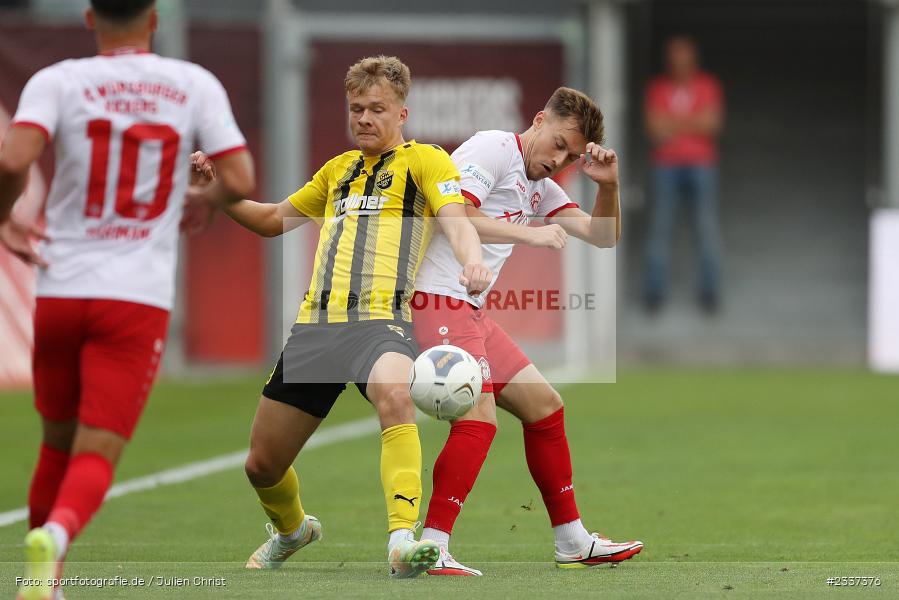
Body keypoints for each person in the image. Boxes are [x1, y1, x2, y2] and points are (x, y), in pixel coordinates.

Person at [187, 55, 492, 579]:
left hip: (380, 322)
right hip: (316, 328)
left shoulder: (426, 162)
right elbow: (270, 220)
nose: (365, 119)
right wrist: (218, 192)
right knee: (261, 465)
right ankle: (292, 530)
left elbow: (454, 217)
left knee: (397, 394)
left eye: (377, 109)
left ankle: (402, 539)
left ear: (402, 114)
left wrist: (472, 258)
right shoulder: (337, 171)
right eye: (357, 109)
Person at [0, 2, 255, 599]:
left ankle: (45, 585)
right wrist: (205, 200)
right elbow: (239, 179)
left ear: (89, 16)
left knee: (56, 443)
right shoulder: (192, 83)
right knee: (99, 449)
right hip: (134, 297)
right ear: (154, 18)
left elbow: (13, 158)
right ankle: (57, 536)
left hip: (62, 289)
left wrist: (4, 217)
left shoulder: (57, 80)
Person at [410, 86, 642, 575]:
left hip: (467, 307)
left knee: (545, 406)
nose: (559, 160)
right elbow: (457, 213)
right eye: (558, 143)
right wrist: (530, 233)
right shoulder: (491, 148)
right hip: (435, 297)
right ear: (538, 119)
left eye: (572, 156)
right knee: (479, 419)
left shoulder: (539, 185)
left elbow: (603, 237)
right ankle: (431, 544)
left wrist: (609, 186)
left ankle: (572, 541)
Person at [643, 35, 724, 312]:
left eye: (684, 59)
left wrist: (673, 124)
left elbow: (712, 124)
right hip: (665, 166)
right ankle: (654, 294)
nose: (680, 64)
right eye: (675, 59)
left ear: (693, 60)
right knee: (661, 228)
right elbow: (654, 129)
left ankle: (709, 292)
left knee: (705, 227)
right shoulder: (658, 87)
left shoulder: (707, 85)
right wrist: (693, 122)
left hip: (701, 165)